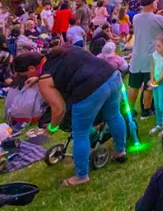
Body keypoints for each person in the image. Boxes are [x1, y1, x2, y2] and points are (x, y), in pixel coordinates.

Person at [29, 45, 127, 186]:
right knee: (114, 116)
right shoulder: (66, 49)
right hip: (112, 75)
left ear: (31, 68)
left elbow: (59, 110)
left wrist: (51, 128)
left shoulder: (46, 76)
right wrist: (39, 78)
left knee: (80, 132)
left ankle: (81, 176)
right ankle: (120, 152)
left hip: (91, 88)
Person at [129, 0, 163, 114]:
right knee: (149, 85)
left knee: (134, 85)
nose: (157, 4)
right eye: (156, 2)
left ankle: (130, 109)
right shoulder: (158, 19)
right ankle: (146, 109)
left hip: (137, 56)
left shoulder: (136, 18)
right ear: (151, 4)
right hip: (151, 57)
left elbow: (147, 24)